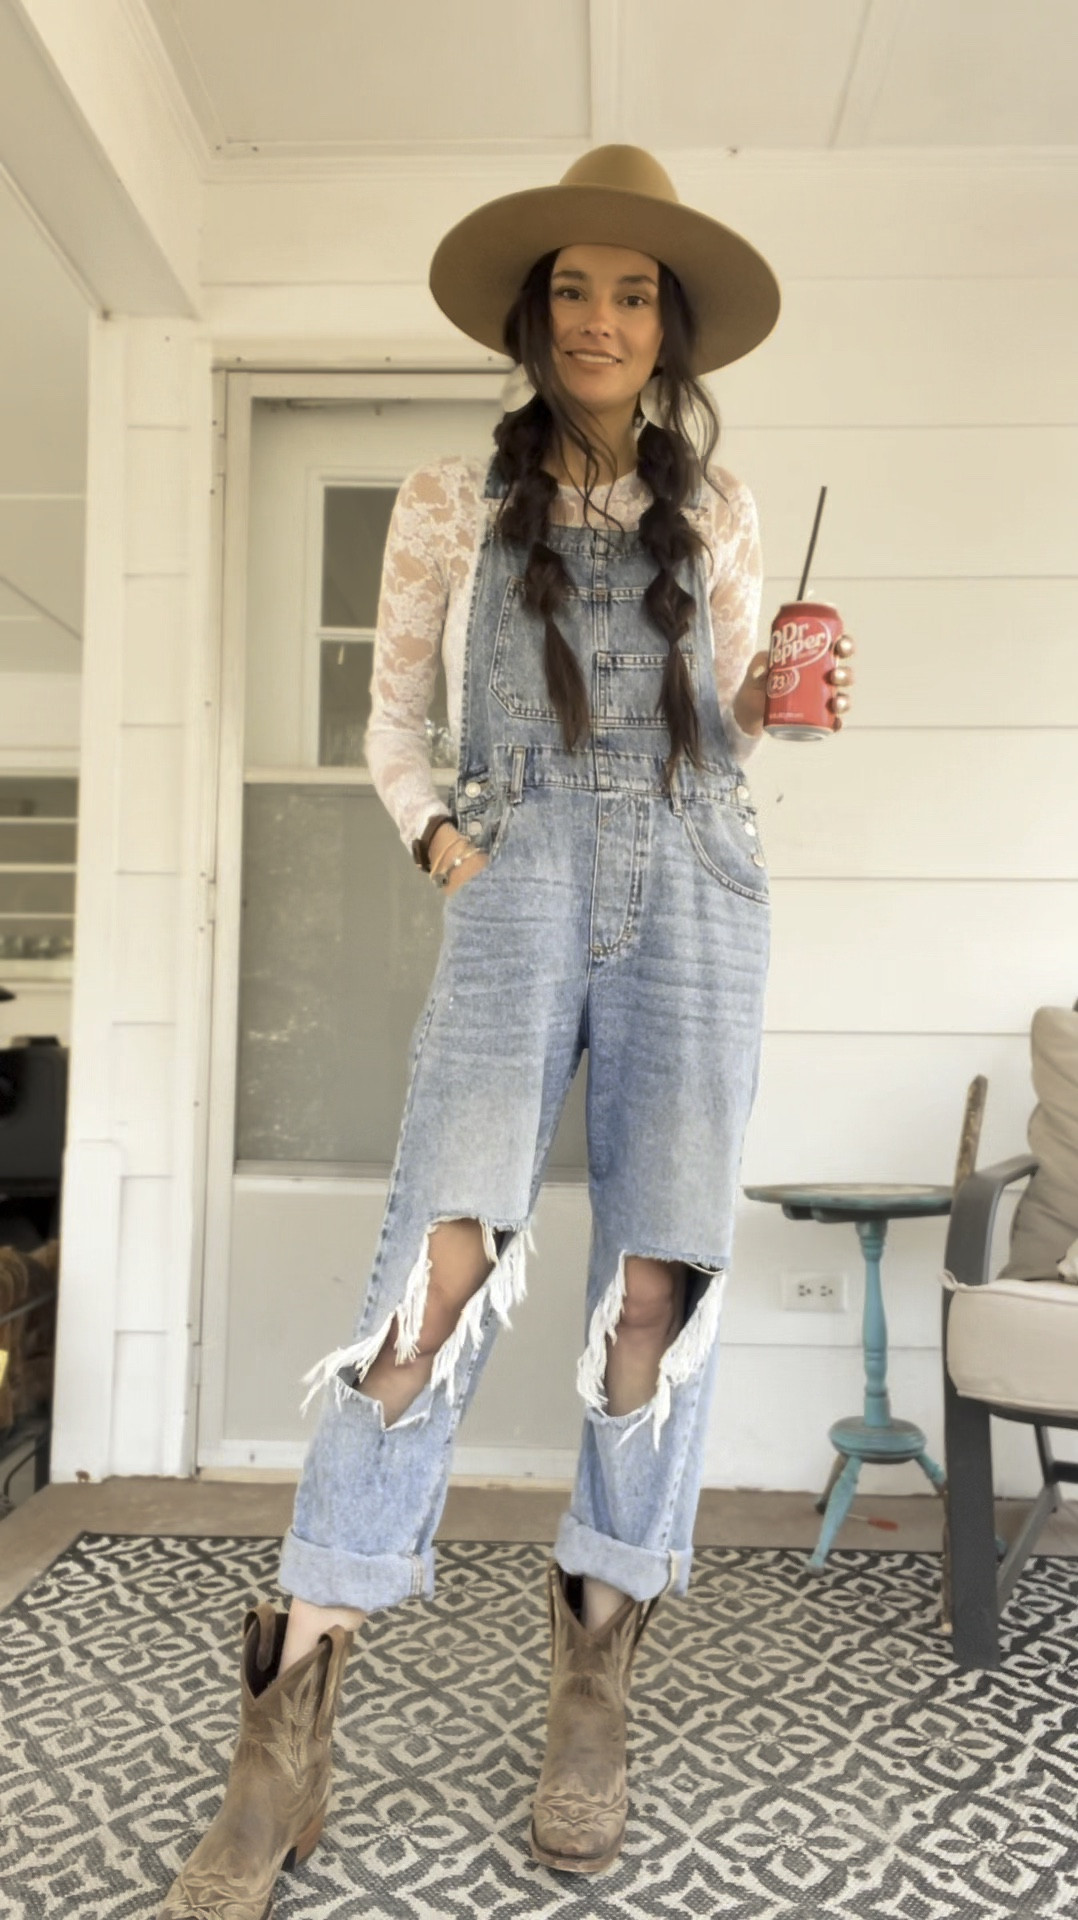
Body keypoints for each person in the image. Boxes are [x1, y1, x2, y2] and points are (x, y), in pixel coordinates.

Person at [159, 144, 854, 1917]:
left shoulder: (727, 512)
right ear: (534, 323)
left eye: (632, 294)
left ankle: (593, 1682)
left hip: (698, 887)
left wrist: (789, 705)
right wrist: (448, 845)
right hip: (520, 876)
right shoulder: (442, 503)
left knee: (658, 1288)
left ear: (669, 325)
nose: (601, 320)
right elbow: (397, 723)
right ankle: (288, 1716)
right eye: (573, 292)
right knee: (439, 1269)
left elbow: (732, 732)